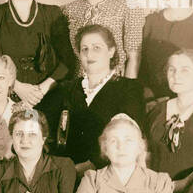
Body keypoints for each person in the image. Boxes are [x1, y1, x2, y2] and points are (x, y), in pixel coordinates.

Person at [39, 24, 146, 171]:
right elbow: (39, 118)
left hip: (108, 173)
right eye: (85, 49)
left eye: (97, 48)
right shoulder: (66, 88)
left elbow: (129, 139)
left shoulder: (129, 89)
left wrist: (89, 167)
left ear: (111, 51)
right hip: (64, 173)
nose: (89, 54)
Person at [145, 49, 193, 191]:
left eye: (184, 70)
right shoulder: (157, 110)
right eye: (171, 70)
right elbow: (146, 155)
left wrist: (184, 184)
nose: (176, 76)